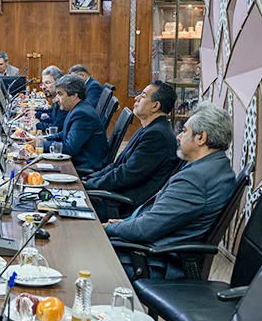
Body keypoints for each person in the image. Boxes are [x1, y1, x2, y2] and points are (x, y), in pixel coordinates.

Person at [106, 103, 237, 279]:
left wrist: (110, 227)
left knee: (81, 251)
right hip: (156, 248)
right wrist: (125, 223)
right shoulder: (219, 167)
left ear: (201, 138)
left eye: (184, 131)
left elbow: (145, 230)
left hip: (152, 260)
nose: (179, 137)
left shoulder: (195, 180)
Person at [85, 81, 181, 220]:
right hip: (113, 194)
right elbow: (118, 165)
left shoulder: (157, 136)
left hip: (119, 204)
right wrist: (90, 179)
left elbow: (127, 175)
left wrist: (90, 184)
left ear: (155, 106)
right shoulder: (150, 128)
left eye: (143, 96)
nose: (136, 98)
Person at [41, 74, 107, 172]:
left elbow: (69, 148)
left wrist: (41, 145)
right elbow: (65, 133)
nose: (56, 99)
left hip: (83, 166)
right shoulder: (77, 108)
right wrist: (44, 139)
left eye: (60, 94)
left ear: (74, 96)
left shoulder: (82, 114)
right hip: (76, 161)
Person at [34, 66, 66, 133]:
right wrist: (35, 113)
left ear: (58, 83)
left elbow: (57, 128)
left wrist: (37, 124)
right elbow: (53, 115)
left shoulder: (64, 101)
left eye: (47, 83)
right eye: (42, 84)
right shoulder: (55, 98)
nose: (43, 87)